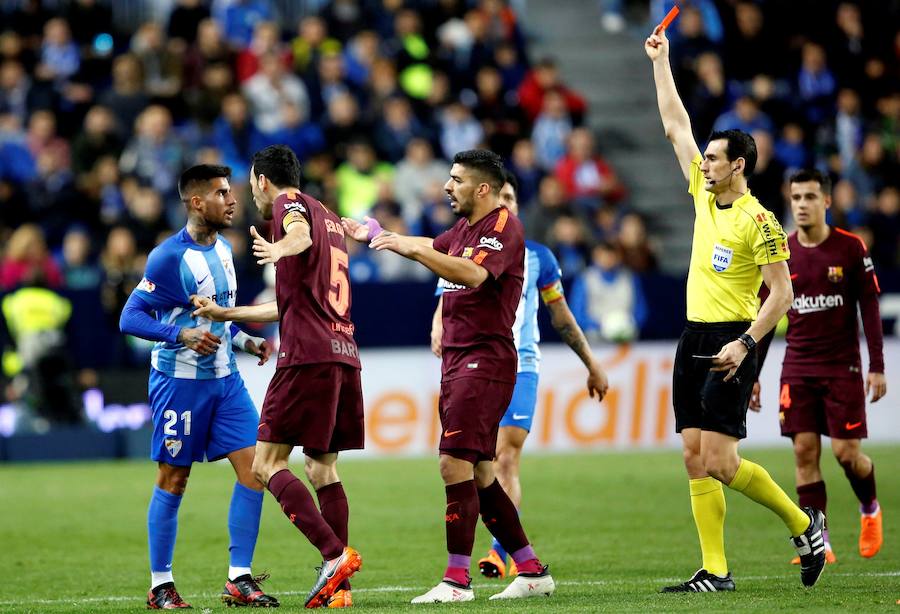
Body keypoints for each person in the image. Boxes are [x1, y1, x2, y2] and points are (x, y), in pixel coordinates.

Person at [645, 27, 826, 592]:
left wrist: (745, 343)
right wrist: (662, 61)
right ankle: (715, 570)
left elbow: (782, 294)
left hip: (733, 337)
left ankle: (805, 526)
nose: (705, 164)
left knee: (722, 462)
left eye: (715, 159)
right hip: (694, 332)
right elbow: (676, 127)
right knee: (694, 457)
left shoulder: (761, 222)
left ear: (739, 165)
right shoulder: (703, 193)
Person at [343, 149, 556, 603]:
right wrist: (382, 235)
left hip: (485, 358)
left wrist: (405, 246)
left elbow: (473, 273)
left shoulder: (502, 226)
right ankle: (532, 571)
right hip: (460, 359)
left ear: (482, 188)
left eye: (456, 179)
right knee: (480, 470)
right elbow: (432, 245)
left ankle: (456, 581)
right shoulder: (464, 229)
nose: (446, 186)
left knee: (452, 462)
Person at [192, 145, 363, 609]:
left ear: (263, 182)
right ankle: (339, 590)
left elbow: (299, 238)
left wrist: (277, 247)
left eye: (251, 185)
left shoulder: (291, 206)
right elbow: (288, 306)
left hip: (306, 356)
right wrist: (226, 313)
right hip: (343, 353)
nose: (253, 194)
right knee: (322, 467)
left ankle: (333, 557)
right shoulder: (329, 214)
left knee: (266, 466)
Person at [430, 169, 609, 579]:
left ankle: (495, 554)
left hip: (518, 362)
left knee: (503, 456)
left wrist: (591, 363)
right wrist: (437, 325)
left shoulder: (538, 257)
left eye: (511, 198)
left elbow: (560, 313)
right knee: (479, 465)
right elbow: (446, 294)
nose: (506, 205)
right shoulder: (465, 243)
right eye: (502, 197)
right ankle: (524, 560)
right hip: (465, 361)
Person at [118, 164, 278, 609]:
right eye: (222, 193)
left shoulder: (225, 250)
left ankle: (239, 577)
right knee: (174, 478)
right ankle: (160, 584)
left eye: (231, 192)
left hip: (226, 382)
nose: (232, 200)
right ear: (196, 202)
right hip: (179, 384)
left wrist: (245, 340)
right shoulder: (168, 257)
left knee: (256, 470)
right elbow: (130, 317)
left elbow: (219, 316)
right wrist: (180, 335)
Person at [752, 169, 886, 564]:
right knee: (805, 453)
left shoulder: (850, 249)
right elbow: (764, 316)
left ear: (827, 202)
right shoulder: (780, 254)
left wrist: (877, 365)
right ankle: (820, 541)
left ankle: (870, 509)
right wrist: (753, 376)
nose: (802, 205)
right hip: (797, 365)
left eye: (810, 197)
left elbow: (871, 309)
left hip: (842, 367)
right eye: (796, 198)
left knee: (847, 454)